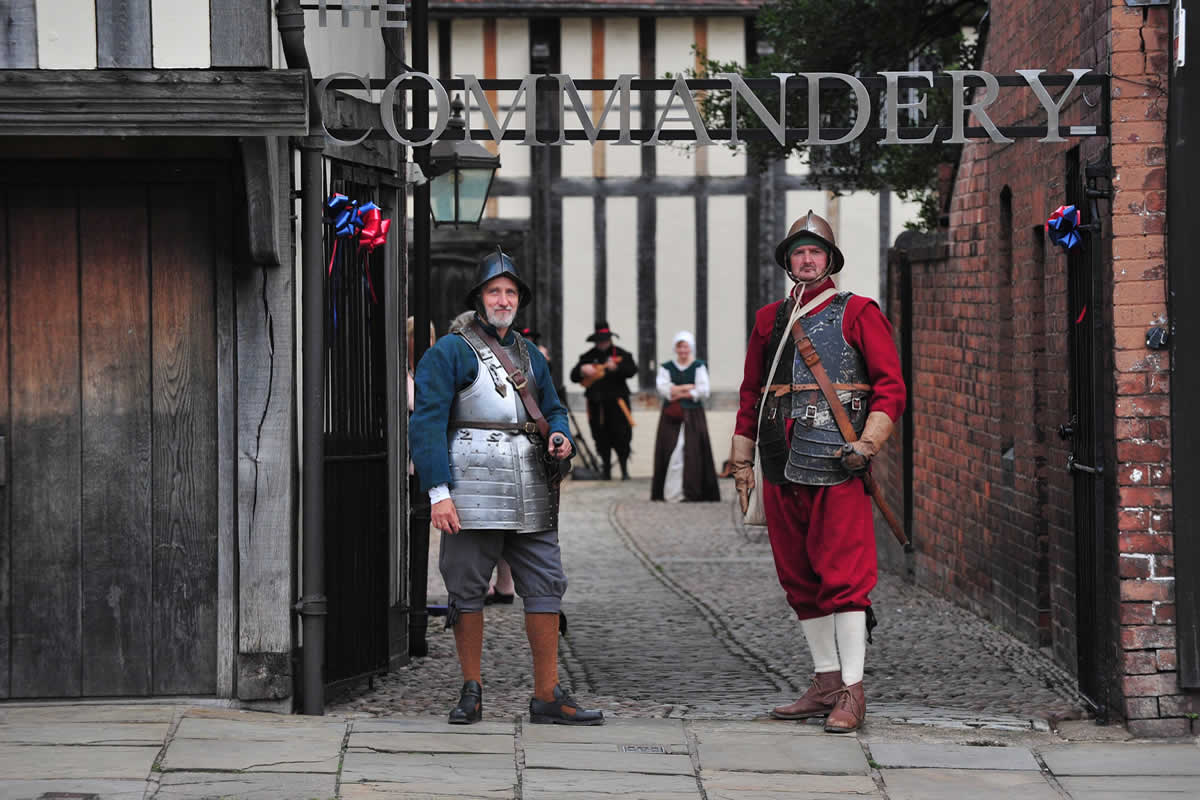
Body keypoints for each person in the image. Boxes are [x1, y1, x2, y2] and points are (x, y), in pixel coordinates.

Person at [411, 247, 604, 726]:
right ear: (480, 298)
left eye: (510, 292)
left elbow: (554, 408)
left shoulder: (529, 355)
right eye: (495, 291)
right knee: (466, 589)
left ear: (520, 299)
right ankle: (471, 689)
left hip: (532, 489)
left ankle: (547, 695)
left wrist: (558, 433)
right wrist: (439, 492)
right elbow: (427, 423)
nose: (503, 299)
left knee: (544, 586)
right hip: (471, 488)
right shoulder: (449, 351)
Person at [729, 211, 905, 734]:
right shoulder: (768, 320)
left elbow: (889, 387)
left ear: (829, 259)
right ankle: (825, 680)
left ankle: (853, 689)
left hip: (838, 460)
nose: (806, 259)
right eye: (798, 253)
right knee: (798, 576)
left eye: (815, 252)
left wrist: (867, 443)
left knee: (844, 577)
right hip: (780, 457)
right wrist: (743, 455)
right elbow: (751, 392)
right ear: (788, 261)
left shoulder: (858, 313)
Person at [651, 331, 720, 503]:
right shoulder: (667, 367)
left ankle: (691, 491)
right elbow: (664, 390)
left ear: (691, 348)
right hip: (671, 416)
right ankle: (672, 492)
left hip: (693, 416)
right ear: (676, 348)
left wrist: (678, 391)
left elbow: (704, 391)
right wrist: (688, 388)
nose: (683, 350)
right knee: (671, 450)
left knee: (691, 452)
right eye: (680, 346)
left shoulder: (698, 366)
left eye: (686, 346)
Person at [569, 322, 638, 480]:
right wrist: (582, 370)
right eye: (600, 340)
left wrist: (617, 369)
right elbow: (573, 376)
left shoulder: (622, 354)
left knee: (622, 436)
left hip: (617, 405)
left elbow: (632, 370)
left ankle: (624, 470)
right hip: (596, 405)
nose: (602, 343)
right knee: (600, 438)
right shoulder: (587, 357)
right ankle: (606, 470)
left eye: (605, 339)